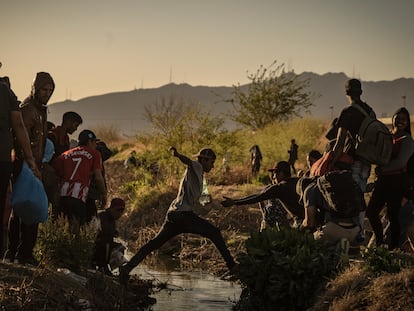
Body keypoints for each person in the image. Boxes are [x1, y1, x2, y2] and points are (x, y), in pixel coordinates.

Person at [119, 147, 236, 285]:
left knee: (153, 245)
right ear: (204, 160)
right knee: (214, 232)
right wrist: (178, 155)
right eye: (211, 162)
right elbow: (188, 161)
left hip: (174, 215)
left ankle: (126, 269)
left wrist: (213, 202)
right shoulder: (197, 165)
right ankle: (233, 267)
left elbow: (204, 200)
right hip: (183, 215)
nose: (213, 165)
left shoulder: (199, 176)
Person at [7, 72, 54, 265]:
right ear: (35, 88)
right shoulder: (28, 109)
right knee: (24, 209)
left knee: (27, 210)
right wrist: (28, 163)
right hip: (24, 165)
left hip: (33, 165)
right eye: (44, 89)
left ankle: (22, 253)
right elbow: (20, 136)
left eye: (50, 90)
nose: (47, 93)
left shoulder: (40, 110)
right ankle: (20, 254)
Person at [328, 79, 375, 241]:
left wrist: (331, 163)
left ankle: (355, 234)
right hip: (367, 162)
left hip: (352, 161)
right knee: (360, 195)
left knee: (351, 198)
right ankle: (359, 231)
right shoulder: (369, 111)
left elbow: (340, 142)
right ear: (360, 92)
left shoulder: (347, 112)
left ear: (346, 93)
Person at [0, 77, 40, 256]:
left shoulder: (8, 94)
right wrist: (30, 157)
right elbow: (18, 125)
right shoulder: (7, 94)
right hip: (4, 158)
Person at [366, 107, 414, 249]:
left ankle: (393, 248)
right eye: (397, 118)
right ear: (393, 119)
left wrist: (383, 169)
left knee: (393, 216)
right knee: (371, 212)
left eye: (403, 120)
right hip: (382, 181)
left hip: (396, 182)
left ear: (407, 123)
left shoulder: (407, 141)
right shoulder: (387, 136)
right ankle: (380, 242)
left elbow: (401, 162)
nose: (399, 121)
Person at [221, 161, 304, 230]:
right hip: (303, 221)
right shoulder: (297, 182)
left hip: (292, 223)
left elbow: (257, 197)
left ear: (281, 173)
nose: (274, 177)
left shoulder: (279, 188)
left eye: (275, 173)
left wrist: (235, 202)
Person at [53, 129, 107, 226]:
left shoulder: (66, 154)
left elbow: (56, 171)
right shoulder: (95, 154)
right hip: (78, 196)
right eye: (95, 142)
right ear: (89, 141)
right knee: (77, 229)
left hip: (62, 196)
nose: (96, 145)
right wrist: (103, 194)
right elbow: (98, 177)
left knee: (62, 227)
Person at [93, 197, 126, 275]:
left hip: (103, 245)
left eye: (122, 211)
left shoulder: (111, 219)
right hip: (95, 246)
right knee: (106, 244)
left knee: (120, 247)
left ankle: (121, 272)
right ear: (111, 208)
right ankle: (102, 266)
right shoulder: (102, 216)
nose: (120, 213)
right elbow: (98, 234)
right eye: (118, 210)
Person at [86, 140, 113, 223]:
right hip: (89, 196)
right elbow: (98, 179)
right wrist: (103, 194)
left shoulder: (89, 159)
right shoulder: (94, 160)